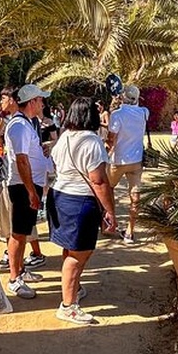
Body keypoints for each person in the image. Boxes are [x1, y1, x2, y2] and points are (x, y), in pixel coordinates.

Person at [47, 97, 116, 324]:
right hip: (79, 202)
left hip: (59, 197)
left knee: (71, 250)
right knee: (79, 255)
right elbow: (99, 181)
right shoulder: (92, 142)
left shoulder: (64, 137)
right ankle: (68, 305)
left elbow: (57, 166)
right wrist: (109, 212)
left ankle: (73, 290)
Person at [4, 84, 53, 298]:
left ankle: (20, 271)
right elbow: (21, 161)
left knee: (23, 232)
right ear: (31, 102)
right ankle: (14, 278)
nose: (43, 103)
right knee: (18, 233)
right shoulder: (20, 126)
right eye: (40, 99)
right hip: (23, 187)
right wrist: (31, 191)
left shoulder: (25, 124)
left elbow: (26, 156)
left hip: (27, 185)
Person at [105, 85, 149, 244]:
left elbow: (112, 139)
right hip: (136, 160)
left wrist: (107, 151)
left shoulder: (117, 115)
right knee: (135, 196)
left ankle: (110, 222)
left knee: (108, 187)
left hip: (119, 160)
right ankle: (130, 231)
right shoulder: (144, 112)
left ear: (123, 97)